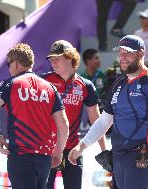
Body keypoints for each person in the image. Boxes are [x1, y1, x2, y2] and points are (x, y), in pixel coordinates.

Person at [68, 35, 148, 189]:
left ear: (141, 53)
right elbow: (105, 121)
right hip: (118, 154)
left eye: (128, 53)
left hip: (143, 154)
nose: (123, 57)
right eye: (121, 52)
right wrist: (81, 146)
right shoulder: (119, 82)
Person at [0, 43, 69, 189]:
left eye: (8, 64)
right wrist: (59, 151)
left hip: (21, 155)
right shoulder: (49, 87)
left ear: (16, 63)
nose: (8, 68)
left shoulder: (10, 84)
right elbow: (64, 124)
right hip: (44, 157)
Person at [41, 40, 106, 189]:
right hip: (47, 150)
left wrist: (104, 151)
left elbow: (96, 120)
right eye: (51, 59)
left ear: (70, 57)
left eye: (57, 58)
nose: (53, 62)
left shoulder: (86, 85)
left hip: (72, 151)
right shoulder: (43, 81)